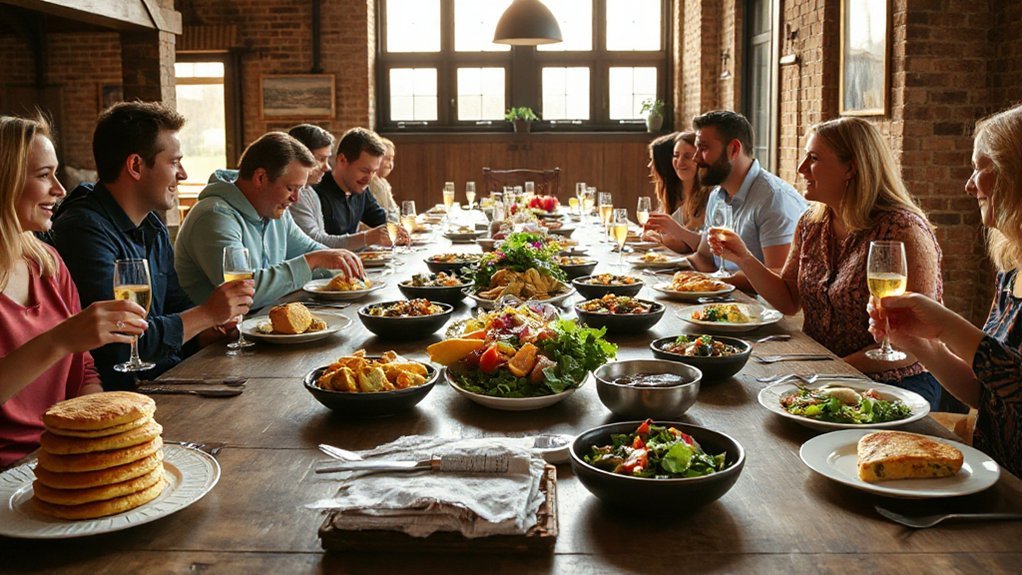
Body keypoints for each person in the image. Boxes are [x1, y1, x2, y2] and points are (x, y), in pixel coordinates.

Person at [710, 117, 944, 407]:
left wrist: (830, 371)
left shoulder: (903, 231)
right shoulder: (812, 222)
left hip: (894, 384)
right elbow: (788, 299)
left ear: (851, 167)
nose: (801, 169)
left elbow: (914, 346)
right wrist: (744, 257)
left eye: (814, 158)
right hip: (822, 374)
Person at [49, 102, 255, 390]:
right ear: (135, 166)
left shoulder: (152, 225)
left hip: (163, 382)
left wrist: (209, 331)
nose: (182, 174)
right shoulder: (82, 230)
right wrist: (206, 314)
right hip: (119, 399)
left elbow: (174, 307)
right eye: (174, 162)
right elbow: (121, 344)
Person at [868, 104, 1022, 475]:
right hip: (994, 475)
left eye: (980, 167)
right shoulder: (1012, 272)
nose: (969, 185)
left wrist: (945, 327)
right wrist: (919, 344)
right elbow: (987, 391)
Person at [0, 115, 148, 467]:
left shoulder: (47, 263)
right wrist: (60, 340)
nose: (60, 188)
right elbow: (67, 344)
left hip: (60, 454)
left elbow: (84, 370)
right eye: (43, 175)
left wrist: (92, 433)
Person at [174, 132, 364, 309]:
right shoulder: (214, 216)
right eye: (291, 188)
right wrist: (312, 261)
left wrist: (343, 264)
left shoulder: (274, 211)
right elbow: (243, 291)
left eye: (300, 189)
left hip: (259, 325)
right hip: (214, 340)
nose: (296, 199)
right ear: (260, 178)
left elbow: (312, 252)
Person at [645, 110, 807, 291]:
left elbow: (780, 277)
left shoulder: (773, 199)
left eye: (704, 148)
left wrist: (713, 283)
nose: (696, 158)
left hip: (764, 312)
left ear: (734, 150)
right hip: (726, 301)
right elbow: (704, 258)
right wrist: (658, 269)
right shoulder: (717, 195)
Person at [287, 124, 371, 251]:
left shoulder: (310, 192)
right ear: (300, 158)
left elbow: (321, 241)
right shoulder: (295, 196)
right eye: (321, 159)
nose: (327, 168)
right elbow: (316, 243)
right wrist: (367, 238)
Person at [309, 128, 395, 244]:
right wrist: (366, 238)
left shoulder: (360, 189)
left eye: (374, 172)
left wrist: (397, 230)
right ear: (342, 160)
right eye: (364, 170)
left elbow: (382, 220)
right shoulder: (316, 193)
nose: (369, 179)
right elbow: (318, 244)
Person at [645, 132, 712, 253]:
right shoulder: (676, 189)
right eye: (676, 155)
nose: (680, 162)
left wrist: (662, 238)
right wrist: (657, 236)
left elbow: (694, 246)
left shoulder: (710, 195)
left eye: (687, 156)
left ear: (700, 159)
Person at [368, 136, 398, 211]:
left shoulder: (383, 182)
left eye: (392, 160)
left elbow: (393, 209)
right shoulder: (372, 183)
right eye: (388, 159)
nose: (390, 164)